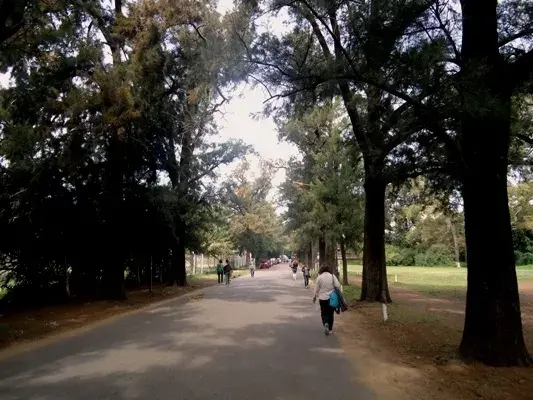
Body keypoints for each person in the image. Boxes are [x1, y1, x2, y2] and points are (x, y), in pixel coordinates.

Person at [313, 265, 341, 336]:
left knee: (323, 312)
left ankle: (325, 323)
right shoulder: (332, 276)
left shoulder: (319, 277)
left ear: (321, 270)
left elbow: (316, 288)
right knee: (330, 314)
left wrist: (314, 296)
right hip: (331, 298)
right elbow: (337, 285)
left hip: (322, 298)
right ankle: (330, 329)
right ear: (329, 270)